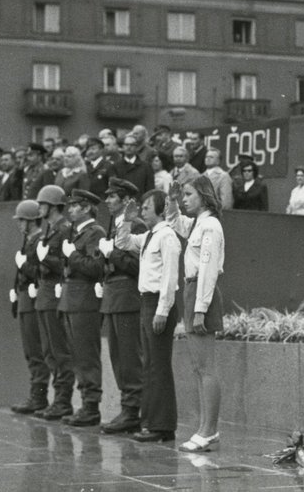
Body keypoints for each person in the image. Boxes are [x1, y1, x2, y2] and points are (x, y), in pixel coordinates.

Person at [165, 175, 225, 453]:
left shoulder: (210, 225)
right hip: (192, 291)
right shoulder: (199, 223)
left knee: (206, 367)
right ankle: (204, 428)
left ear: (203, 195)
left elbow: (209, 269)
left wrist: (201, 308)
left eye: (189, 194)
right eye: (183, 195)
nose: (185, 199)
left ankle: (209, 430)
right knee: (198, 368)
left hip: (202, 293)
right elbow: (174, 221)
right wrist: (172, 199)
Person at [125, 189, 181, 442]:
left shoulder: (167, 236)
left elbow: (170, 277)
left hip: (159, 303)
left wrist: (162, 310)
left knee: (158, 365)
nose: (143, 210)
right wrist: (127, 220)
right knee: (149, 364)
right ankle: (151, 422)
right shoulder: (149, 236)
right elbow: (122, 243)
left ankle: (162, 425)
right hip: (146, 301)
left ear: (160, 210)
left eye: (147, 207)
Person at [98, 178, 145, 434]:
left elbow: (137, 266)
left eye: (112, 197)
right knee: (118, 357)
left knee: (129, 357)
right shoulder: (113, 225)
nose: (107, 201)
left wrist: (111, 253)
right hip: (114, 297)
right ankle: (127, 409)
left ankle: (132, 410)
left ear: (126, 200)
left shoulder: (134, 225)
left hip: (127, 296)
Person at [58, 188, 107, 427]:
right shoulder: (77, 232)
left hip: (85, 299)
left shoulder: (94, 232)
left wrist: (73, 255)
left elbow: (95, 267)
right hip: (72, 298)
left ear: (87, 208)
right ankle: (86, 403)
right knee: (77, 354)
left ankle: (91, 406)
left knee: (86, 354)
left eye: (75, 205)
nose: (70, 209)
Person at [33, 185, 75, 421]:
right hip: (45, 295)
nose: (40, 208)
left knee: (60, 351)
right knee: (49, 351)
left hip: (55, 295)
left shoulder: (64, 230)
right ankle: (57, 399)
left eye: (42, 204)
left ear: (52, 206)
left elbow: (64, 266)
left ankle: (63, 400)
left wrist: (46, 258)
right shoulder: (50, 230)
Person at [10, 199, 50, 416]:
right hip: (26, 299)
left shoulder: (39, 241)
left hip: (34, 300)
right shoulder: (29, 241)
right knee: (30, 351)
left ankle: (39, 396)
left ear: (31, 221)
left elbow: (37, 272)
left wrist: (23, 265)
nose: (19, 224)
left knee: (36, 351)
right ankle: (37, 394)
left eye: (22, 220)